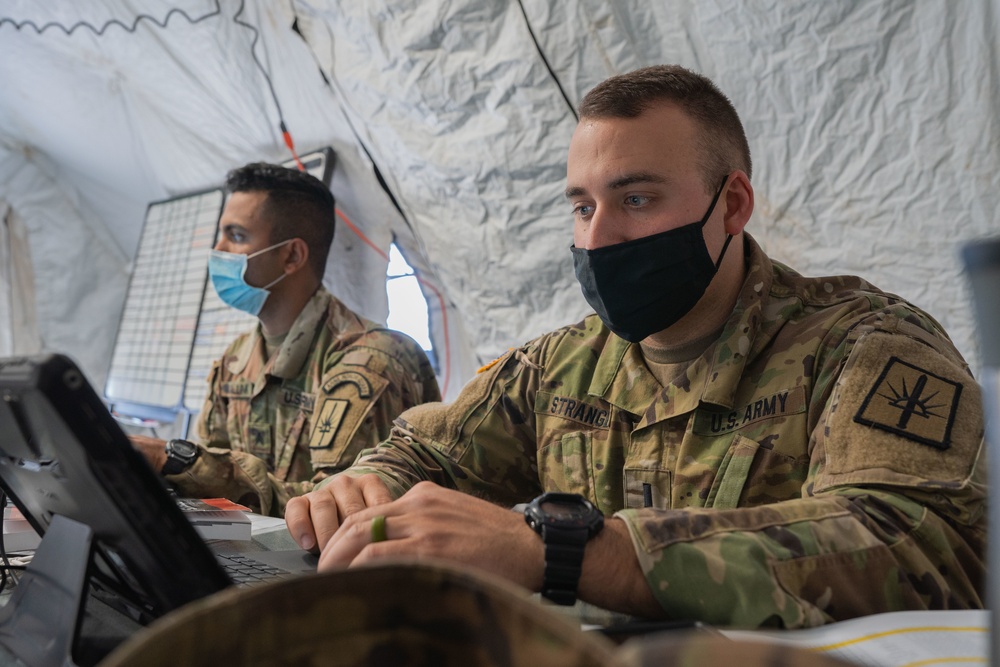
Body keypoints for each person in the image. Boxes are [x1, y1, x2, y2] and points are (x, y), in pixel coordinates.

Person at [284, 66, 985, 628]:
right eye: (582, 207)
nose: (595, 238)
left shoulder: (864, 345)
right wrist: (365, 487)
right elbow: (427, 449)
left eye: (636, 200)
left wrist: (571, 552)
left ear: (733, 205)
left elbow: (920, 542)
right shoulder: (558, 365)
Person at [131, 163, 441, 517]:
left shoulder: (370, 361)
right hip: (259, 560)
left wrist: (176, 461)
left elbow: (340, 511)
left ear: (292, 255)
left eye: (236, 235)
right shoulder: (235, 360)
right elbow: (209, 495)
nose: (218, 249)